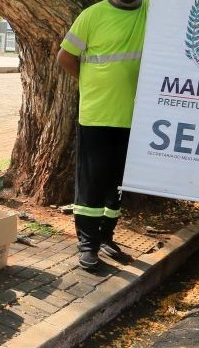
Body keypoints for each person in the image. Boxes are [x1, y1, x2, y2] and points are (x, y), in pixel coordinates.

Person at [56, 0, 148, 270]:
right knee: (92, 184)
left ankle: (106, 237)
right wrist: (90, 83)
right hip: (96, 116)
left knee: (117, 184)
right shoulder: (91, 16)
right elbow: (65, 57)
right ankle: (87, 245)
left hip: (133, 119)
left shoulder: (152, 12)